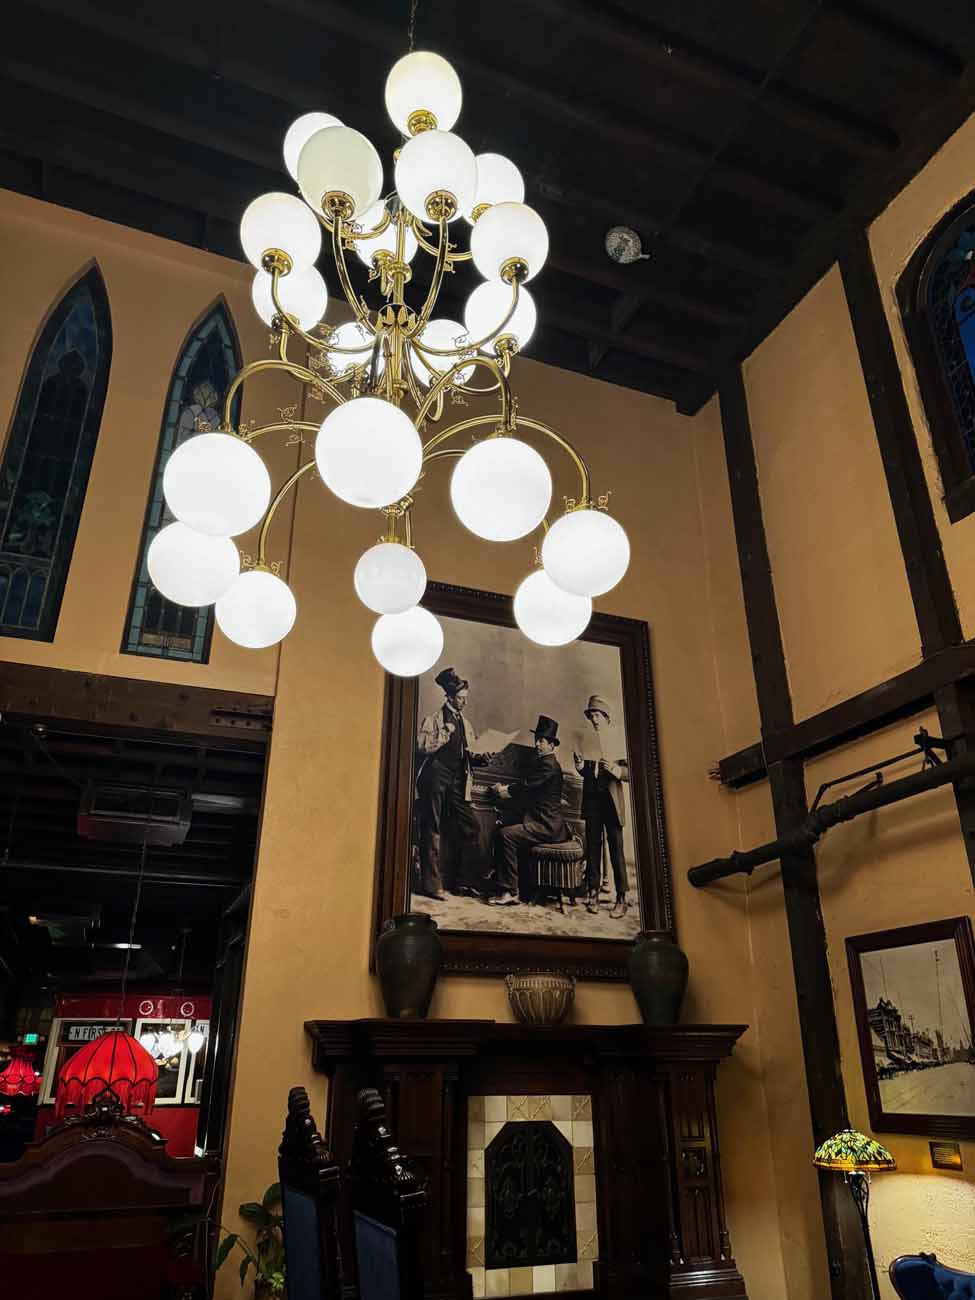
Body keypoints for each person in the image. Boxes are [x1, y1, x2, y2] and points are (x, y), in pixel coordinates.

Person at [415, 667, 490, 900]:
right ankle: (432, 885)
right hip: (435, 778)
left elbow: (468, 753)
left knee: (471, 828)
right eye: (460, 698)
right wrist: (443, 735)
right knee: (432, 827)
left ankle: (464, 882)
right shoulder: (434, 719)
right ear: (449, 697)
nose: (464, 702)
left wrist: (483, 757)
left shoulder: (465, 723)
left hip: (458, 781)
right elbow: (421, 746)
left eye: (466, 698)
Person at [489, 715, 568, 907]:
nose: (537, 744)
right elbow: (530, 793)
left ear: (551, 745)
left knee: (506, 835)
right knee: (504, 826)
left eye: (541, 741)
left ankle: (510, 892)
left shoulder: (548, 765)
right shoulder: (544, 762)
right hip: (542, 820)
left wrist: (503, 791)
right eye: (536, 740)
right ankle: (506, 880)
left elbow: (526, 786)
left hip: (546, 826)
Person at [573, 694, 630, 919]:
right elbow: (587, 772)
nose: (594, 720)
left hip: (611, 800)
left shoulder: (618, 740)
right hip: (593, 799)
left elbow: (630, 773)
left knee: (616, 848)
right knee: (593, 846)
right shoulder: (588, 739)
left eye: (597, 715)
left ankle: (622, 898)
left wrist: (615, 769)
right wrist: (580, 766)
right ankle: (593, 891)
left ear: (606, 717)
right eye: (591, 716)